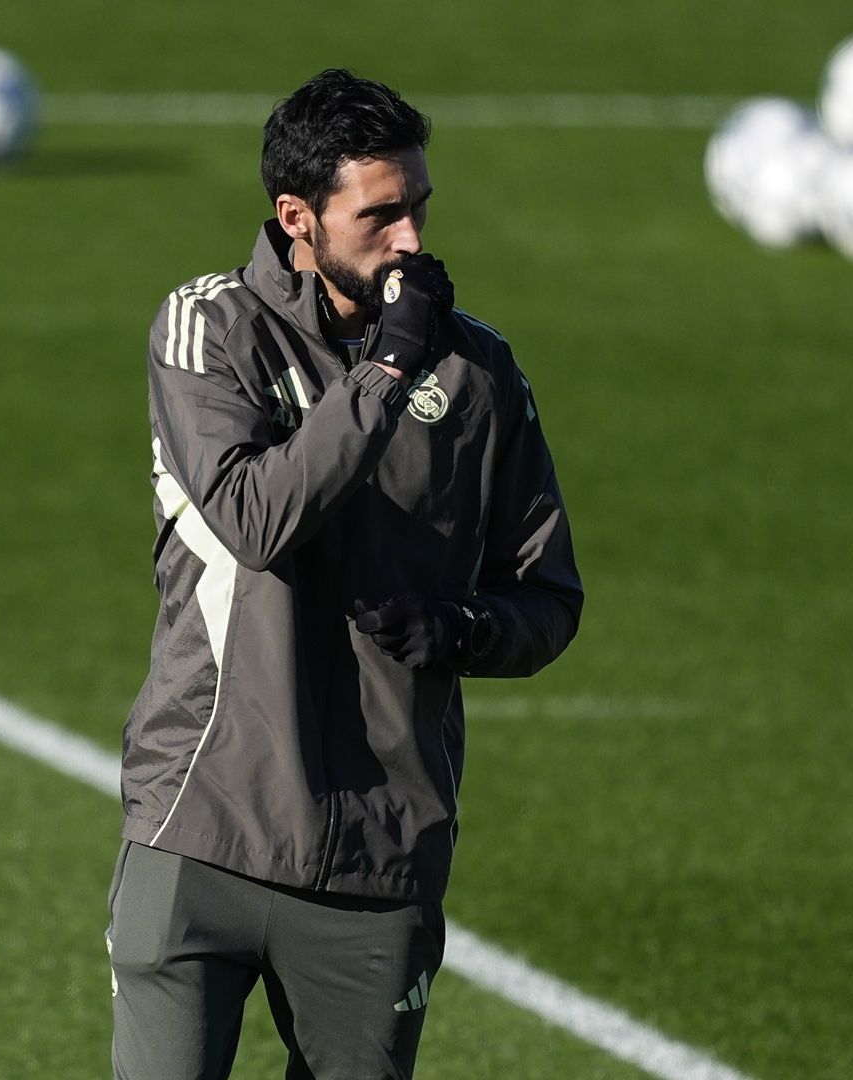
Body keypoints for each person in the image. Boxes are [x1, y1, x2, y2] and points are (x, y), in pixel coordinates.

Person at [110, 69, 584, 1079]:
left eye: (418, 206)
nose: (412, 240)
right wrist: (386, 371)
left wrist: (463, 632)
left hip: (381, 854)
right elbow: (253, 516)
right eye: (381, 214)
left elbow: (548, 598)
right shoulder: (213, 327)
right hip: (204, 822)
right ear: (298, 217)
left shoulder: (481, 376)